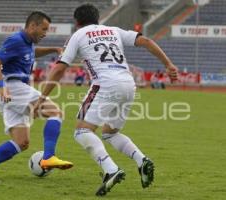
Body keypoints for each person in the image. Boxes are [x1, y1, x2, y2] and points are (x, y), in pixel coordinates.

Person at [34, 4, 178, 196]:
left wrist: (42, 96)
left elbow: (60, 68)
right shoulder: (113, 30)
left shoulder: (78, 35)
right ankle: (141, 161)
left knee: (82, 131)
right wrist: (168, 64)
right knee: (110, 133)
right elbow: (146, 41)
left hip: (105, 84)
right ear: (98, 19)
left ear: (77, 22)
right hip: (128, 84)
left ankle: (110, 169)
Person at [0, 11, 73, 181]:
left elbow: (33, 52)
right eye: (44, 29)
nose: (45, 33)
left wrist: (53, 49)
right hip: (14, 87)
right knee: (56, 113)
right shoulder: (16, 40)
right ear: (32, 25)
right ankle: (48, 157)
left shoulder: (26, 43)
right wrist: (2, 87)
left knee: (22, 143)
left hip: (13, 92)